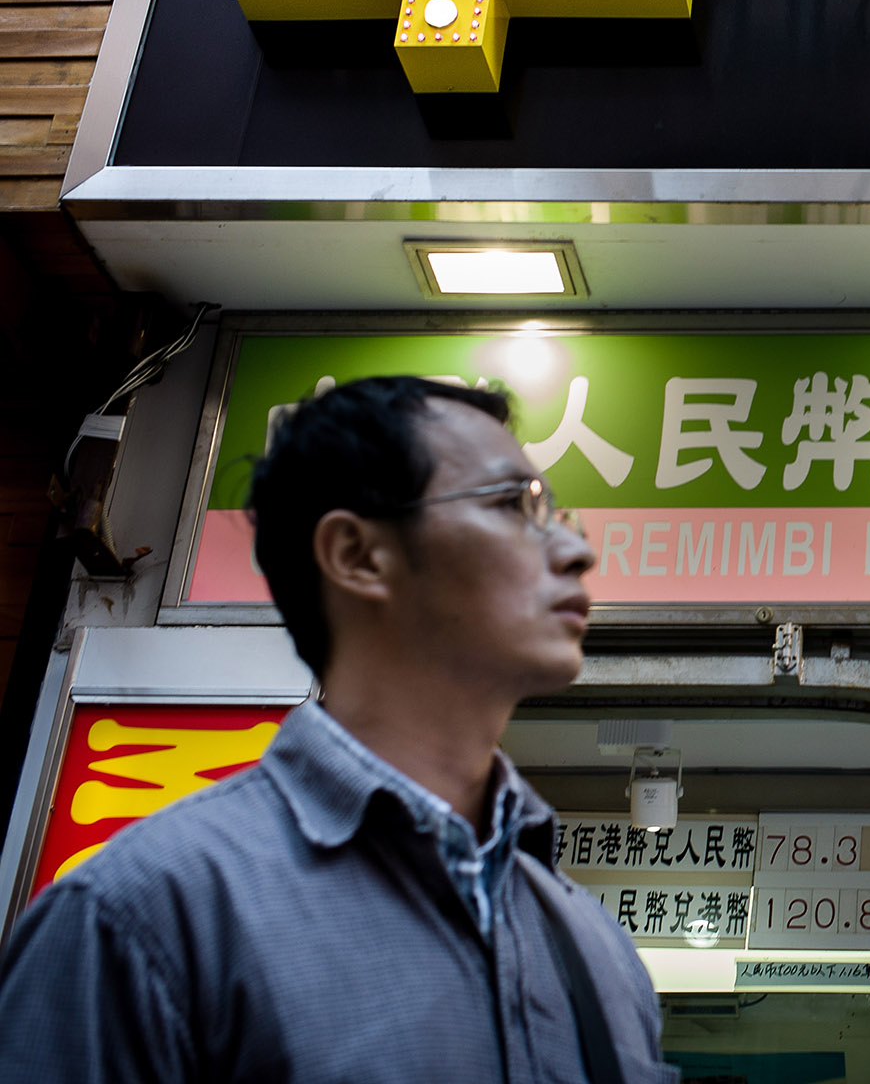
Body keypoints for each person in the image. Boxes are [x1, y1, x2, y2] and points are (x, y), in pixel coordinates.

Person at [0, 375, 672, 1083]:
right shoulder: (142, 921)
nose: (576, 553)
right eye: (514, 505)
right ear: (356, 554)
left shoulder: (595, 946)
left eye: (558, 514)